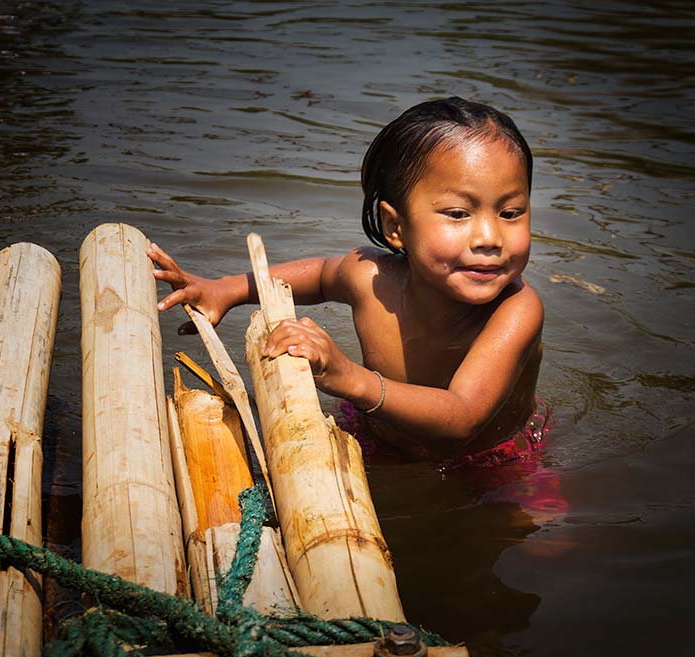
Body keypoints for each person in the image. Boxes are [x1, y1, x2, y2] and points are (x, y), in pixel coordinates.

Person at [148, 96, 551, 467]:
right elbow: (322, 276)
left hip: (490, 461)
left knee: (527, 535)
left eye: (511, 213)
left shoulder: (516, 310)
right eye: (459, 214)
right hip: (379, 435)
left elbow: (462, 416)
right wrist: (229, 289)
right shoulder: (370, 278)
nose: (489, 238)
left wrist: (349, 378)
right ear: (396, 227)